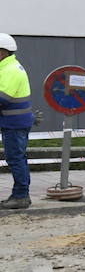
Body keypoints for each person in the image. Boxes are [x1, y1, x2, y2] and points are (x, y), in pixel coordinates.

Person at [0, 34, 33, 210]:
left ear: (2, 52)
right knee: (17, 158)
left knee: (16, 159)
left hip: (14, 123)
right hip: (14, 122)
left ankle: (21, 196)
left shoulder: (10, 70)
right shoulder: (7, 68)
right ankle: (20, 194)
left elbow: (2, 98)